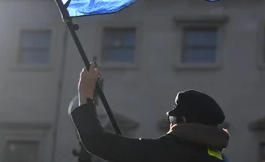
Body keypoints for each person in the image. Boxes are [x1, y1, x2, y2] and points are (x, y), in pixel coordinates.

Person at [70, 64, 230, 161]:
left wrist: (85, 92)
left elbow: (96, 141)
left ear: (183, 120)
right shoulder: (217, 156)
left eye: (172, 117)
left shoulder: (173, 150)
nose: (169, 124)